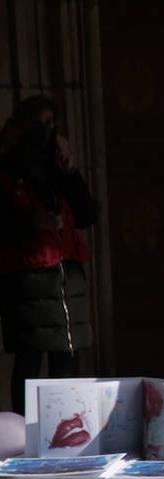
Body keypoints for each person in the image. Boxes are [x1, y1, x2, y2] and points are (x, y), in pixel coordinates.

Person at [0, 95, 96, 414]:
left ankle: (62, 434)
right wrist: (32, 221)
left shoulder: (59, 167)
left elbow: (86, 214)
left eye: (52, 123)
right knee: (29, 360)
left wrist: (70, 172)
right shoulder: (9, 168)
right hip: (30, 279)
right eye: (40, 123)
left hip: (66, 277)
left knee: (65, 357)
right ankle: (24, 442)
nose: (47, 131)